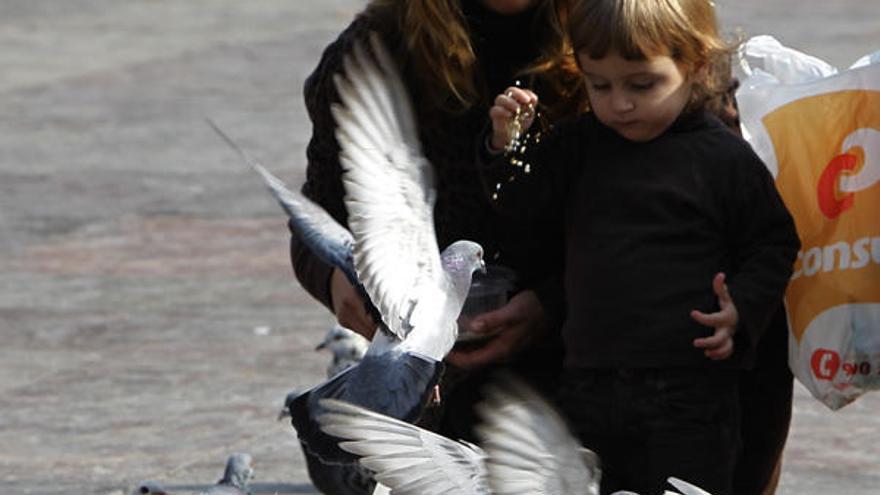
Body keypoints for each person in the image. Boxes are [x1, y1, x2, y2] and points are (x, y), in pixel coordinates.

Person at [481, 0, 800, 493]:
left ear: (692, 67)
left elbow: (773, 241)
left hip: (690, 389)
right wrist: (509, 147)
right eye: (599, 85)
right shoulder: (578, 145)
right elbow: (521, 213)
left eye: (641, 84)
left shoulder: (722, 157)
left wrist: (743, 306)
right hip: (589, 381)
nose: (619, 104)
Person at [290, 1, 589, 489]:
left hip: (569, 365)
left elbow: (643, 231)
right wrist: (337, 281)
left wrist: (550, 305)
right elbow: (317, 216)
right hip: (418, 382)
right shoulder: (374, 49)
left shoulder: (612, 39)